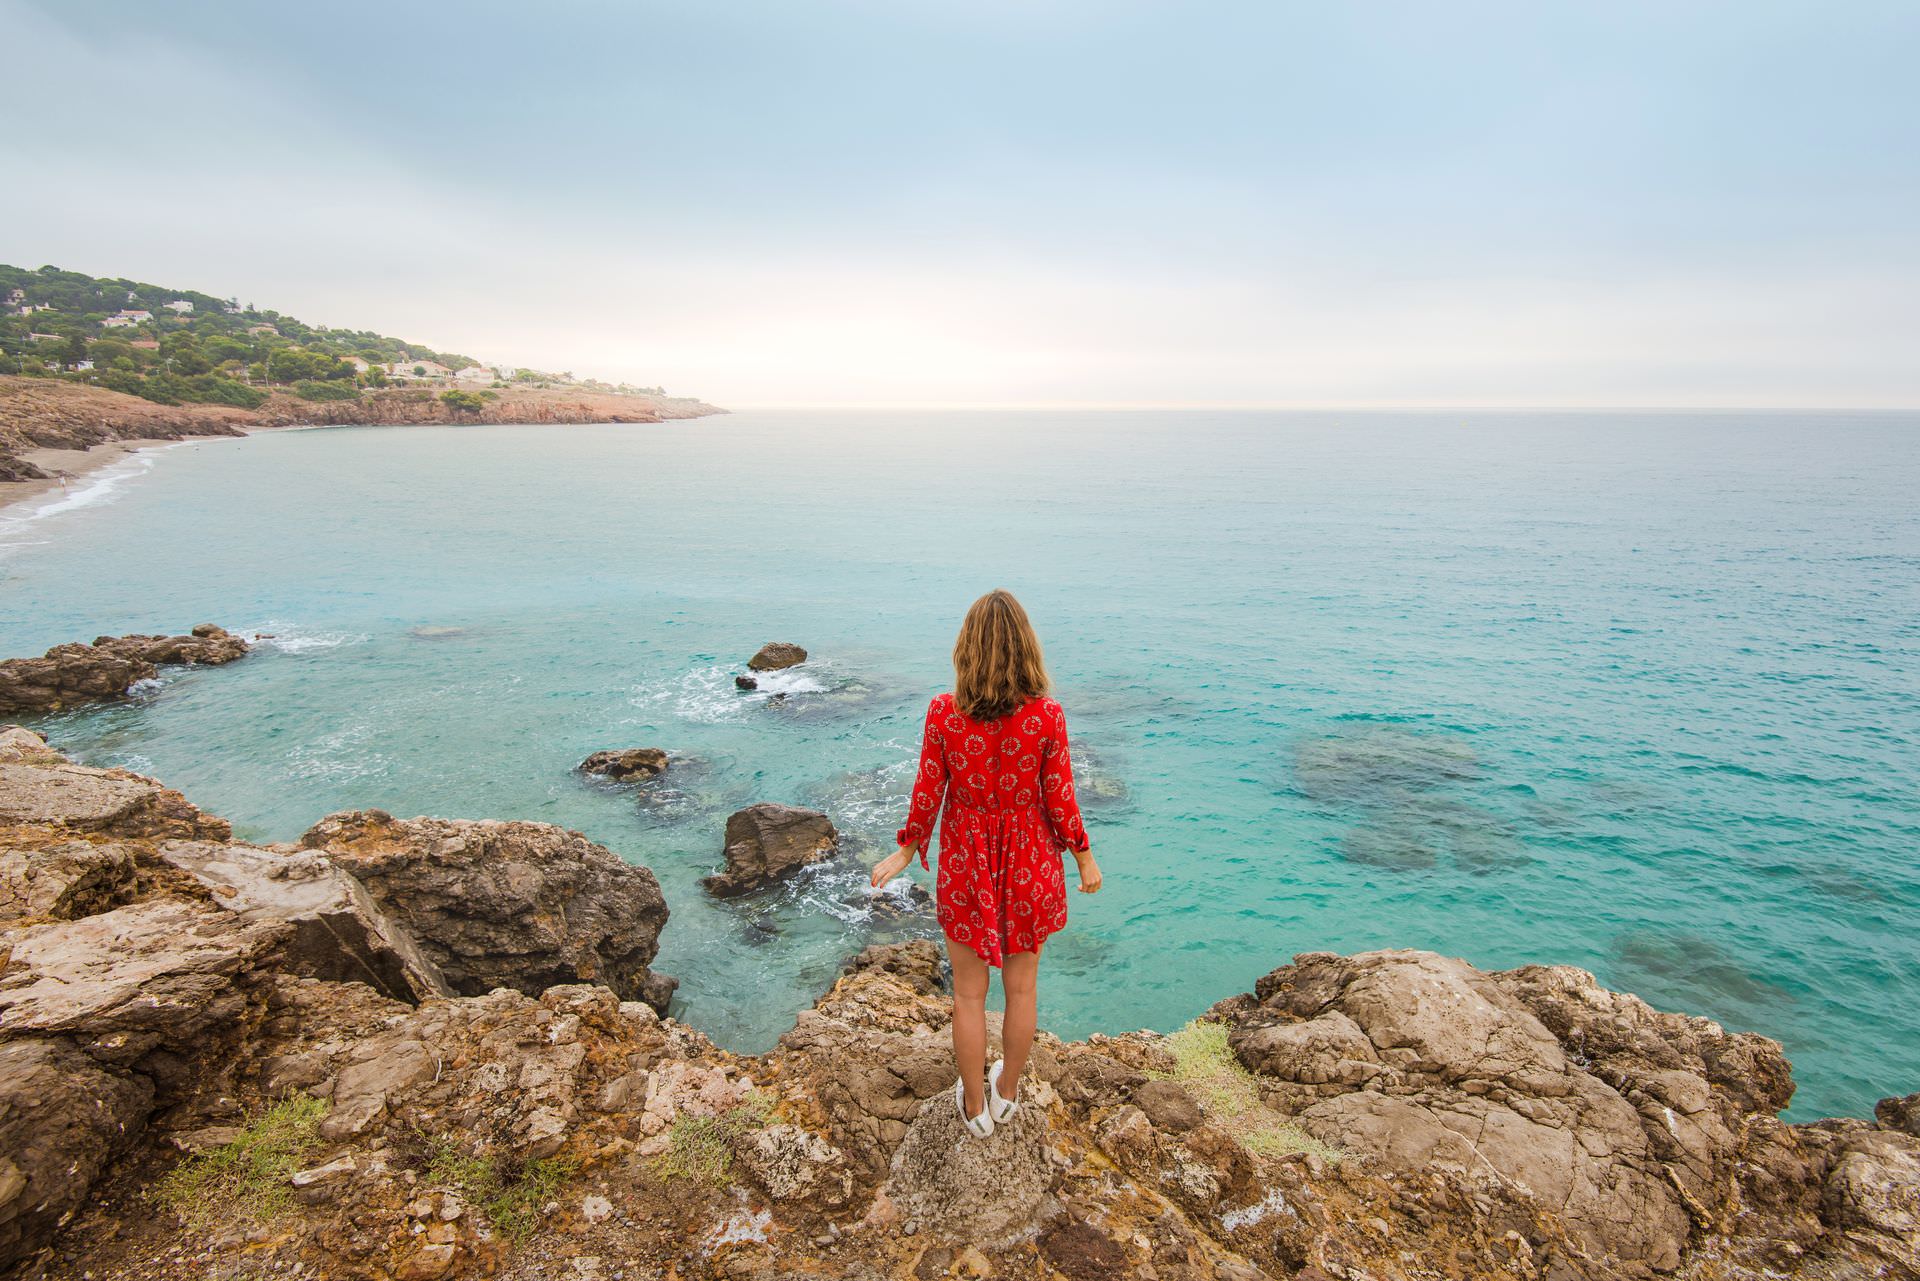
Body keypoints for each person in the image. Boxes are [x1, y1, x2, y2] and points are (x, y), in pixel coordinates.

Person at [870, 589, 1103, 1138]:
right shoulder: (1047, 716)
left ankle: (973, 1106)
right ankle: (1007, 1095)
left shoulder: (944, 714)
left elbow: (927, 793)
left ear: (966, 650)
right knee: (1021, 991)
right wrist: (1085, 859)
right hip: (1030, 863)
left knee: (968, 995)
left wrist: (906, 849)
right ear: (1026, 648)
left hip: (967, 866)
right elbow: (1060, 798)